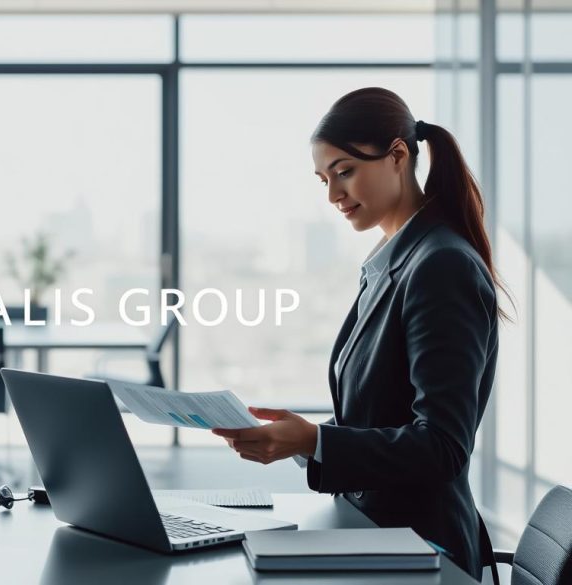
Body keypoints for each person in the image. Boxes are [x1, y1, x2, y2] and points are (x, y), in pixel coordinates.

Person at [213, 87, 510, 581]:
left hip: (422, 548)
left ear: (397, 156)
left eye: (345, 171)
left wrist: (314, 441)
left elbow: (442, 446)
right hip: (376, 530)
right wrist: (305, 439)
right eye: (324, 179)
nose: (333, 195)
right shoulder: (395, 261)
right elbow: (384, 412)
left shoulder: (440, 266)